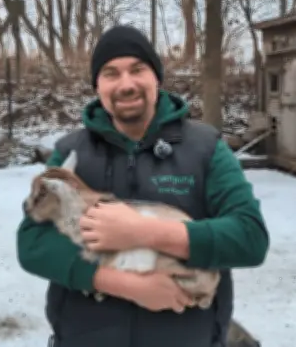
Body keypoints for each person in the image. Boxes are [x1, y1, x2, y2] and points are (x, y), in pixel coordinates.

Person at [16, 25, 270, 347]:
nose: (126, 84)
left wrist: (143, 232)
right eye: (111, 73)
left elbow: (250, 237)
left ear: (157, 78)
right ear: (97, 86)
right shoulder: (71, 153)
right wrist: (123, 285)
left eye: (138, 69)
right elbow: (32, 243)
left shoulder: (205, 148)